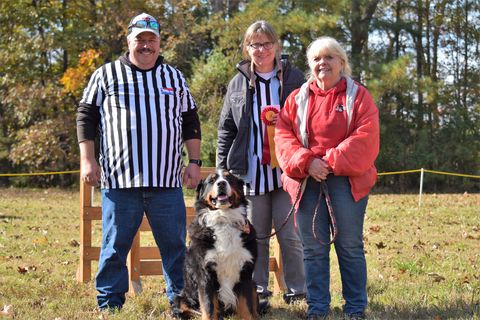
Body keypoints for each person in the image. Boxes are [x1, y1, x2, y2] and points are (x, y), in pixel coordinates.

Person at [76, 13, 201, 312]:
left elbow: (190, 120)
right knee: (114, 248)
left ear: (159, 43)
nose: (146, 45)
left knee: (174, 247)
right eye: (140, 39)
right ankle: (110, 304)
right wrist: (87, 160)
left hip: (167, 180)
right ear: (129, 41)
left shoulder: (174, 77)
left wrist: (194, 161)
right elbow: (86, 116)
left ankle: (180, 302)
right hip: (120, 182)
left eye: (151, 40)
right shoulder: (105, 75)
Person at [275, 36, 380, 320]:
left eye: (329, 57)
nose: (323, 63)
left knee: (349, 245)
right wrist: (307, 162)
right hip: (307, 181)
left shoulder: (359, 96)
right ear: (310, 65)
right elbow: (284, 137)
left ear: (342, 62)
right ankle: (318, 308)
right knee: (312, 248)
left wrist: (329, 162)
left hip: (346, 180)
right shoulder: (296, 99)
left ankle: (355, 308)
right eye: (317, 59)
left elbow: (366, 137)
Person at [217, 20, 306, 304]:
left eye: (267, 43)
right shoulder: (237, 83)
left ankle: (298, 291)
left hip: (288, 173)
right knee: (255, 238)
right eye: (255, 44)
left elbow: (310, 120)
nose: (262, 49)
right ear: (248, 48)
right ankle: (257, 293)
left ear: (276, 46)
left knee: (291, 237)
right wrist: (223, 169)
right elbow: (226, 128)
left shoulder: (294, 79)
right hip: (252, 175)